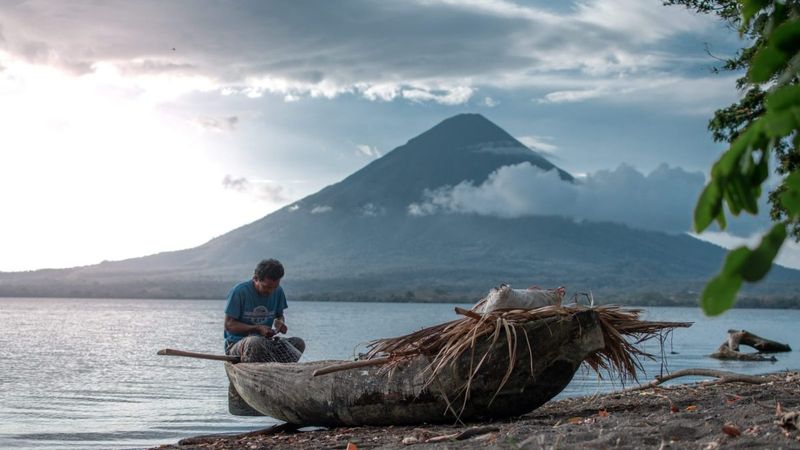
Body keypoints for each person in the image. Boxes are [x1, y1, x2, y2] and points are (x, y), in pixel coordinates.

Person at [224, 259, 305, 363]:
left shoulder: (278, 291)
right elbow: (229, 325)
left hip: (265, 343)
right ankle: (254, 373)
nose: (270, 291)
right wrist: (257, 328)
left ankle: (278, 372)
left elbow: (279, 315)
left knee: (298, 343)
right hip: (236, 345)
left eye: (274, 287)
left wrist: (280, 322)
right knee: (255, 342)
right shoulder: (239, 292)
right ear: (255, 279)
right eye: (266, 287)